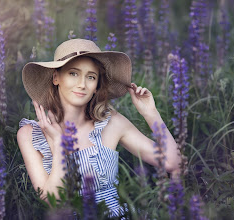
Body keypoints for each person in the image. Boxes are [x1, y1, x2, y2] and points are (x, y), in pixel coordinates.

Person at [17, 38, 181, 217]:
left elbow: (172, 163)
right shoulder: (29, 134)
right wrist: (58, 145)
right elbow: (53, 201)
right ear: (56, 77)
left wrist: (150, 112)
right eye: (73, 73)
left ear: (96, 86)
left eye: (91, 77)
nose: (82, 84)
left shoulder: (111, 123)